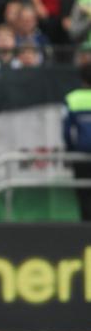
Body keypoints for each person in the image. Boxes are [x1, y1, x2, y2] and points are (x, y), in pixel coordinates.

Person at [63, 62, 91, 221]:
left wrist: (70, 150)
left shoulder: (72, 98)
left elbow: (66, 131)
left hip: (81, 155)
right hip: (81, 154)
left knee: (84, 195)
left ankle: (86, 231)